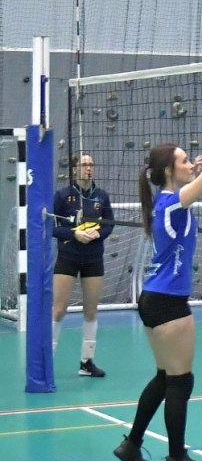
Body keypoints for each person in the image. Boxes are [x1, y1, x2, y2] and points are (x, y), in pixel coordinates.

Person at [112, 102, 202, 461]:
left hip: (154, 298)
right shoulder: (174, 202)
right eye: (184, 160)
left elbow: (199, 176)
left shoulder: (166, 201)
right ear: (170, 171)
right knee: (180, 380)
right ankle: (176, 459)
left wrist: (194, 171)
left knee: (165, 376)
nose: (191, 163)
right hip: (169, 302)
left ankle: (132, 444)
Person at [51, 154, 114, 377]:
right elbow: (52, 227)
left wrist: (98, 234)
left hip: (93, 258)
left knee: (91, 311)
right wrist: (74, 234)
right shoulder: (62, 196)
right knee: (58, 310)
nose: (88, 168)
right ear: (75, 169)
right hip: (68, 257)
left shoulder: (102, 196)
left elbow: (109, 224)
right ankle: (48, 361)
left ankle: (86, 363)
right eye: (84, 164)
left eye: (91, 165)